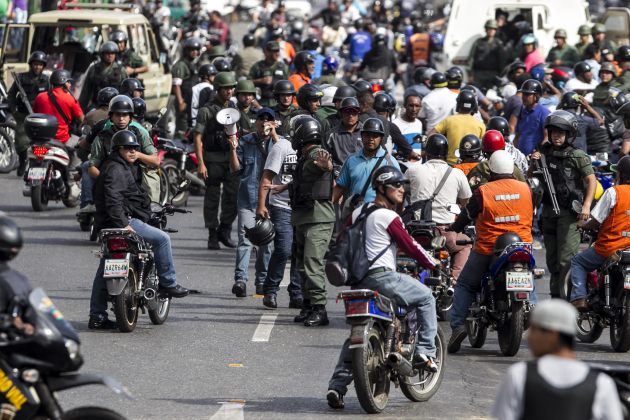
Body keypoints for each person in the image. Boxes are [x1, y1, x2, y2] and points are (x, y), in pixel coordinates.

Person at [326, 165, 439, 409]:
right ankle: (425, 352)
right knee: (426, 297)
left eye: (402, 185)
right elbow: (410, 245)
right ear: (381, 189)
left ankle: (337, 387)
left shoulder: (357, 213)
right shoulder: (389, 217)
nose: (401, 189)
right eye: (395, 186)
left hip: (357, 282)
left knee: (354, 337)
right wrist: (432, 262)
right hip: (382, 278)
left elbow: (342, 240)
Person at [89, 131, 188, 329]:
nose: (133, 151)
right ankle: (168, 283)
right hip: (121, 221)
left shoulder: (120, 166)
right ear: (118, 149)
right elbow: (113, 198)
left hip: (109, 223)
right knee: (162, 240)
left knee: (104, 269)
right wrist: (123, 223)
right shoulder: (116, 169)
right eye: (128, 148)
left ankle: (97, 316)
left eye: (135, 148)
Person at [448, 150, 533, 353]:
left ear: (491, 169)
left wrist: (454, 229)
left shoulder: (483, 191)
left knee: (465, 285)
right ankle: (531, 308)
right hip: (522, 247)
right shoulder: (526, 188)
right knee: (529, 277)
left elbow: (467, 215)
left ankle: (458, 326)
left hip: (488, 249)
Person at [492, 299, 623, 420]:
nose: (528, 338)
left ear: (552, 334)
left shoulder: (519, 376)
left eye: (534, 330)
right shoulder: (602, 384)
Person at [528, 111, 596, 298]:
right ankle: (556, 298)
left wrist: (586, 206)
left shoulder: (577, 155)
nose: (557, 136)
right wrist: (533, 164)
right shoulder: (543, 154)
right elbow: (530, 180)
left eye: (561, 132)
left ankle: (569, 300)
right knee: (552, 261)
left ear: (569, 134)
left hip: (568, 214)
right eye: (554, 132)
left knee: (566, 260)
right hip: (548, 213)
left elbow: (591, 180)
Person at [288, 116, 335, 327]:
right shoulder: (303, 156)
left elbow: (326, 164)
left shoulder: (316, 153)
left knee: (311, 264)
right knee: (301, 265)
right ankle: (308, 304)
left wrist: (326, 166)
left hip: (318, 218)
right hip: (304, 216)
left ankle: (319, 308)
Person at [406, 134, 472, 281]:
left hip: (417, 233)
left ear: (426, 152)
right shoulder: (457, 173)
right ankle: (455, 280)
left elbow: (400, 193)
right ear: (446, 153)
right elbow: (467, 203)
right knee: (466, 243)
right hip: (445, 233)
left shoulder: (413, 171)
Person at [570, 156, 630, 310]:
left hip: (611, 247)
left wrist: (584, 225)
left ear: (620, 175)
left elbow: (596, 220)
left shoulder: (613, 192)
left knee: (578, 261)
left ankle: (579, 298)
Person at [228, 108, 276, 297]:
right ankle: (240, 281)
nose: (264, 122)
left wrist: (274, 135)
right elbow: (235, 169)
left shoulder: (278, 142)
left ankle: (262, 282)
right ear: (255, 122)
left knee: (266, 244)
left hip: (270, 201)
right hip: (247, 199)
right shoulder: (246, 142)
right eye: (261, 119)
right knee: (245, 240)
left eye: (268, 119)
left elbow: (285, 160)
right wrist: (232, 149)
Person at [194, 72, 240, 250]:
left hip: (230, 158)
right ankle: (212, 234)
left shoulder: (234, 106)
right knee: (212, 198)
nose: (229, 91)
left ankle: (225, 230)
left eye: (231, 88)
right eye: (226, 88)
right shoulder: (206, 110)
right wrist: (200, 163)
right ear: (218, 89)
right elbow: (198, 137)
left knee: (234, 196)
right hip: (212, 159)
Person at [86, 95, 160, 203]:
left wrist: (138, 155)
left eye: (124, 115)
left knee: (149, 214)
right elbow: (92, 167)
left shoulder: (140, 133)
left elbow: (156, 161)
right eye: (117, 115)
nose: (121, 119)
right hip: (111, 186)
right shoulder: (102, 137)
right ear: (111, 116)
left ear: (130, 117)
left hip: (136, 184)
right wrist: (107, 181)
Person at [332, 117, 399, 205]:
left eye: (375, 135)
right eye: (367, 135)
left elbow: (398, 191)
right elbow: (340, 187)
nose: (371, 139)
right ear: (362, 136)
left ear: (381, 138)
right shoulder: (351, 160)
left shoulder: (390, 162)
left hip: (379, 214)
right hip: (355, 213)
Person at [7, 51, 49, 176]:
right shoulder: (21, 78)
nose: (37, 67)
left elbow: (51, 96)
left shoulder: (46, 80)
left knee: (41, 142)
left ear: (43, 66)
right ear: (31, 65)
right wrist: (14, 109)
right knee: (20, 142)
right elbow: (11, 95)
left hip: (40, 115)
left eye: (40, 65)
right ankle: (22, 160)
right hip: (23, 115)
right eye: (35, 64)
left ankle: (39, 164)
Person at [428, 90, 485, 164]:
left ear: (458, 104)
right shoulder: (480, 124)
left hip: (451, 165)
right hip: (472, 166)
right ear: (474, 105)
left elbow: (430, 135)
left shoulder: (448, 120)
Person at [33, 69, 84, 143]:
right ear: (64, 83)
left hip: (42, 138)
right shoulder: (71, 99)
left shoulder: (40, 96)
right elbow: (82, 120)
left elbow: (35, 114)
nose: (70, 85)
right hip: (62, 140)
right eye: (68, 82)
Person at [79, 41, 127, 112]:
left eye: (112, 53)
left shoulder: (121, 70)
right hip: (98, 106)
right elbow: (86, 92)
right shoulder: (94, 69)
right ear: (102, 54)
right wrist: (80, 110)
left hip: (116, 105)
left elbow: (126, 90)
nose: (110, 55)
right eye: (107, 53)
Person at [171, 37, 201, 134]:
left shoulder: (193, 64)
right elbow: (176, 85)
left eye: (196, 50)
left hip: (191, 101)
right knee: (182, 128)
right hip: (184, 100)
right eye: (192, 50)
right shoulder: (181, 65)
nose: (194, 52)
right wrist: (181, 102)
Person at [324, 97, 363, 173]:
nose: (350, 115)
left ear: (358, 114)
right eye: (347, 112)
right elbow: (325, 157)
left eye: (354, 112)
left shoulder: (366, 132)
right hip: (339, 176)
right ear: (341, 113)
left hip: (362, 174)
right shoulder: (331, 135)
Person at [513, 79, 550, 156]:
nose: (524, 97)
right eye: (523, 94)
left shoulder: (544, 113)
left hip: (535, 159)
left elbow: (547, 137)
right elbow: (518, 135)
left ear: (536, 96)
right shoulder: (522, 111)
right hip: (520, 158)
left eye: (527, 94)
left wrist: (539, 152)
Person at [249, 41, 289, 107]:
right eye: (274, 51)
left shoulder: (284, 67)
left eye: (278, 51)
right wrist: (261, 80)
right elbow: (247, 83)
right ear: (266, 52)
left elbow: (288, 87)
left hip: (280, 104)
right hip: (262, 102)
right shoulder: (258, 67)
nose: (277, 53)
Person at [469, 19, 505, 90]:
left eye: (493, 29)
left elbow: (502, 60)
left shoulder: (498, 43)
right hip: (478, 74)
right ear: (486, 29)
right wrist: (471, 74)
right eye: (489, 28)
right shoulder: (478, 42)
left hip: (493, 74)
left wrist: (500, 75)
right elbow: (471, 58)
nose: (491, 30)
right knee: (477, 94)